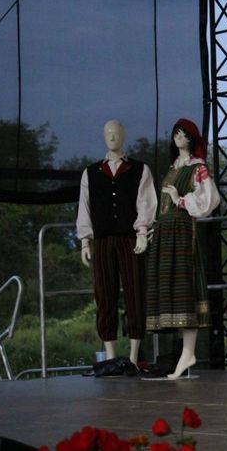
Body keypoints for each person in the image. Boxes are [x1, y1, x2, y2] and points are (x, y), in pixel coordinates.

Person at [76, 119, 157, 369]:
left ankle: (133, 355)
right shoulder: (91, 172)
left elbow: (146, 202)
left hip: (129, 237)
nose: (112, 137)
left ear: (123, 136)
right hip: (102, 240)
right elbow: (84, 207)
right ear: (103, 136)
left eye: (116, 133)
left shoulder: (139, 169)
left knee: (135, 292)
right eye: (108, 133)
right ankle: (110, 355)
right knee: (104, 293)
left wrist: (142, 231)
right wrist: (85, 241)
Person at [144, 118, 219, 379]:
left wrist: (181, 200)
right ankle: (185, 353)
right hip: (166, 232)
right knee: (173, 289)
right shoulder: (173, 167)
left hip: (182, 231)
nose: (179, 138)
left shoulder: (198, 167)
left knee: (185, 287)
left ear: (191, 138)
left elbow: (210, 199)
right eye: (176, 133)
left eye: (183, 134)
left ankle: (188, 352)